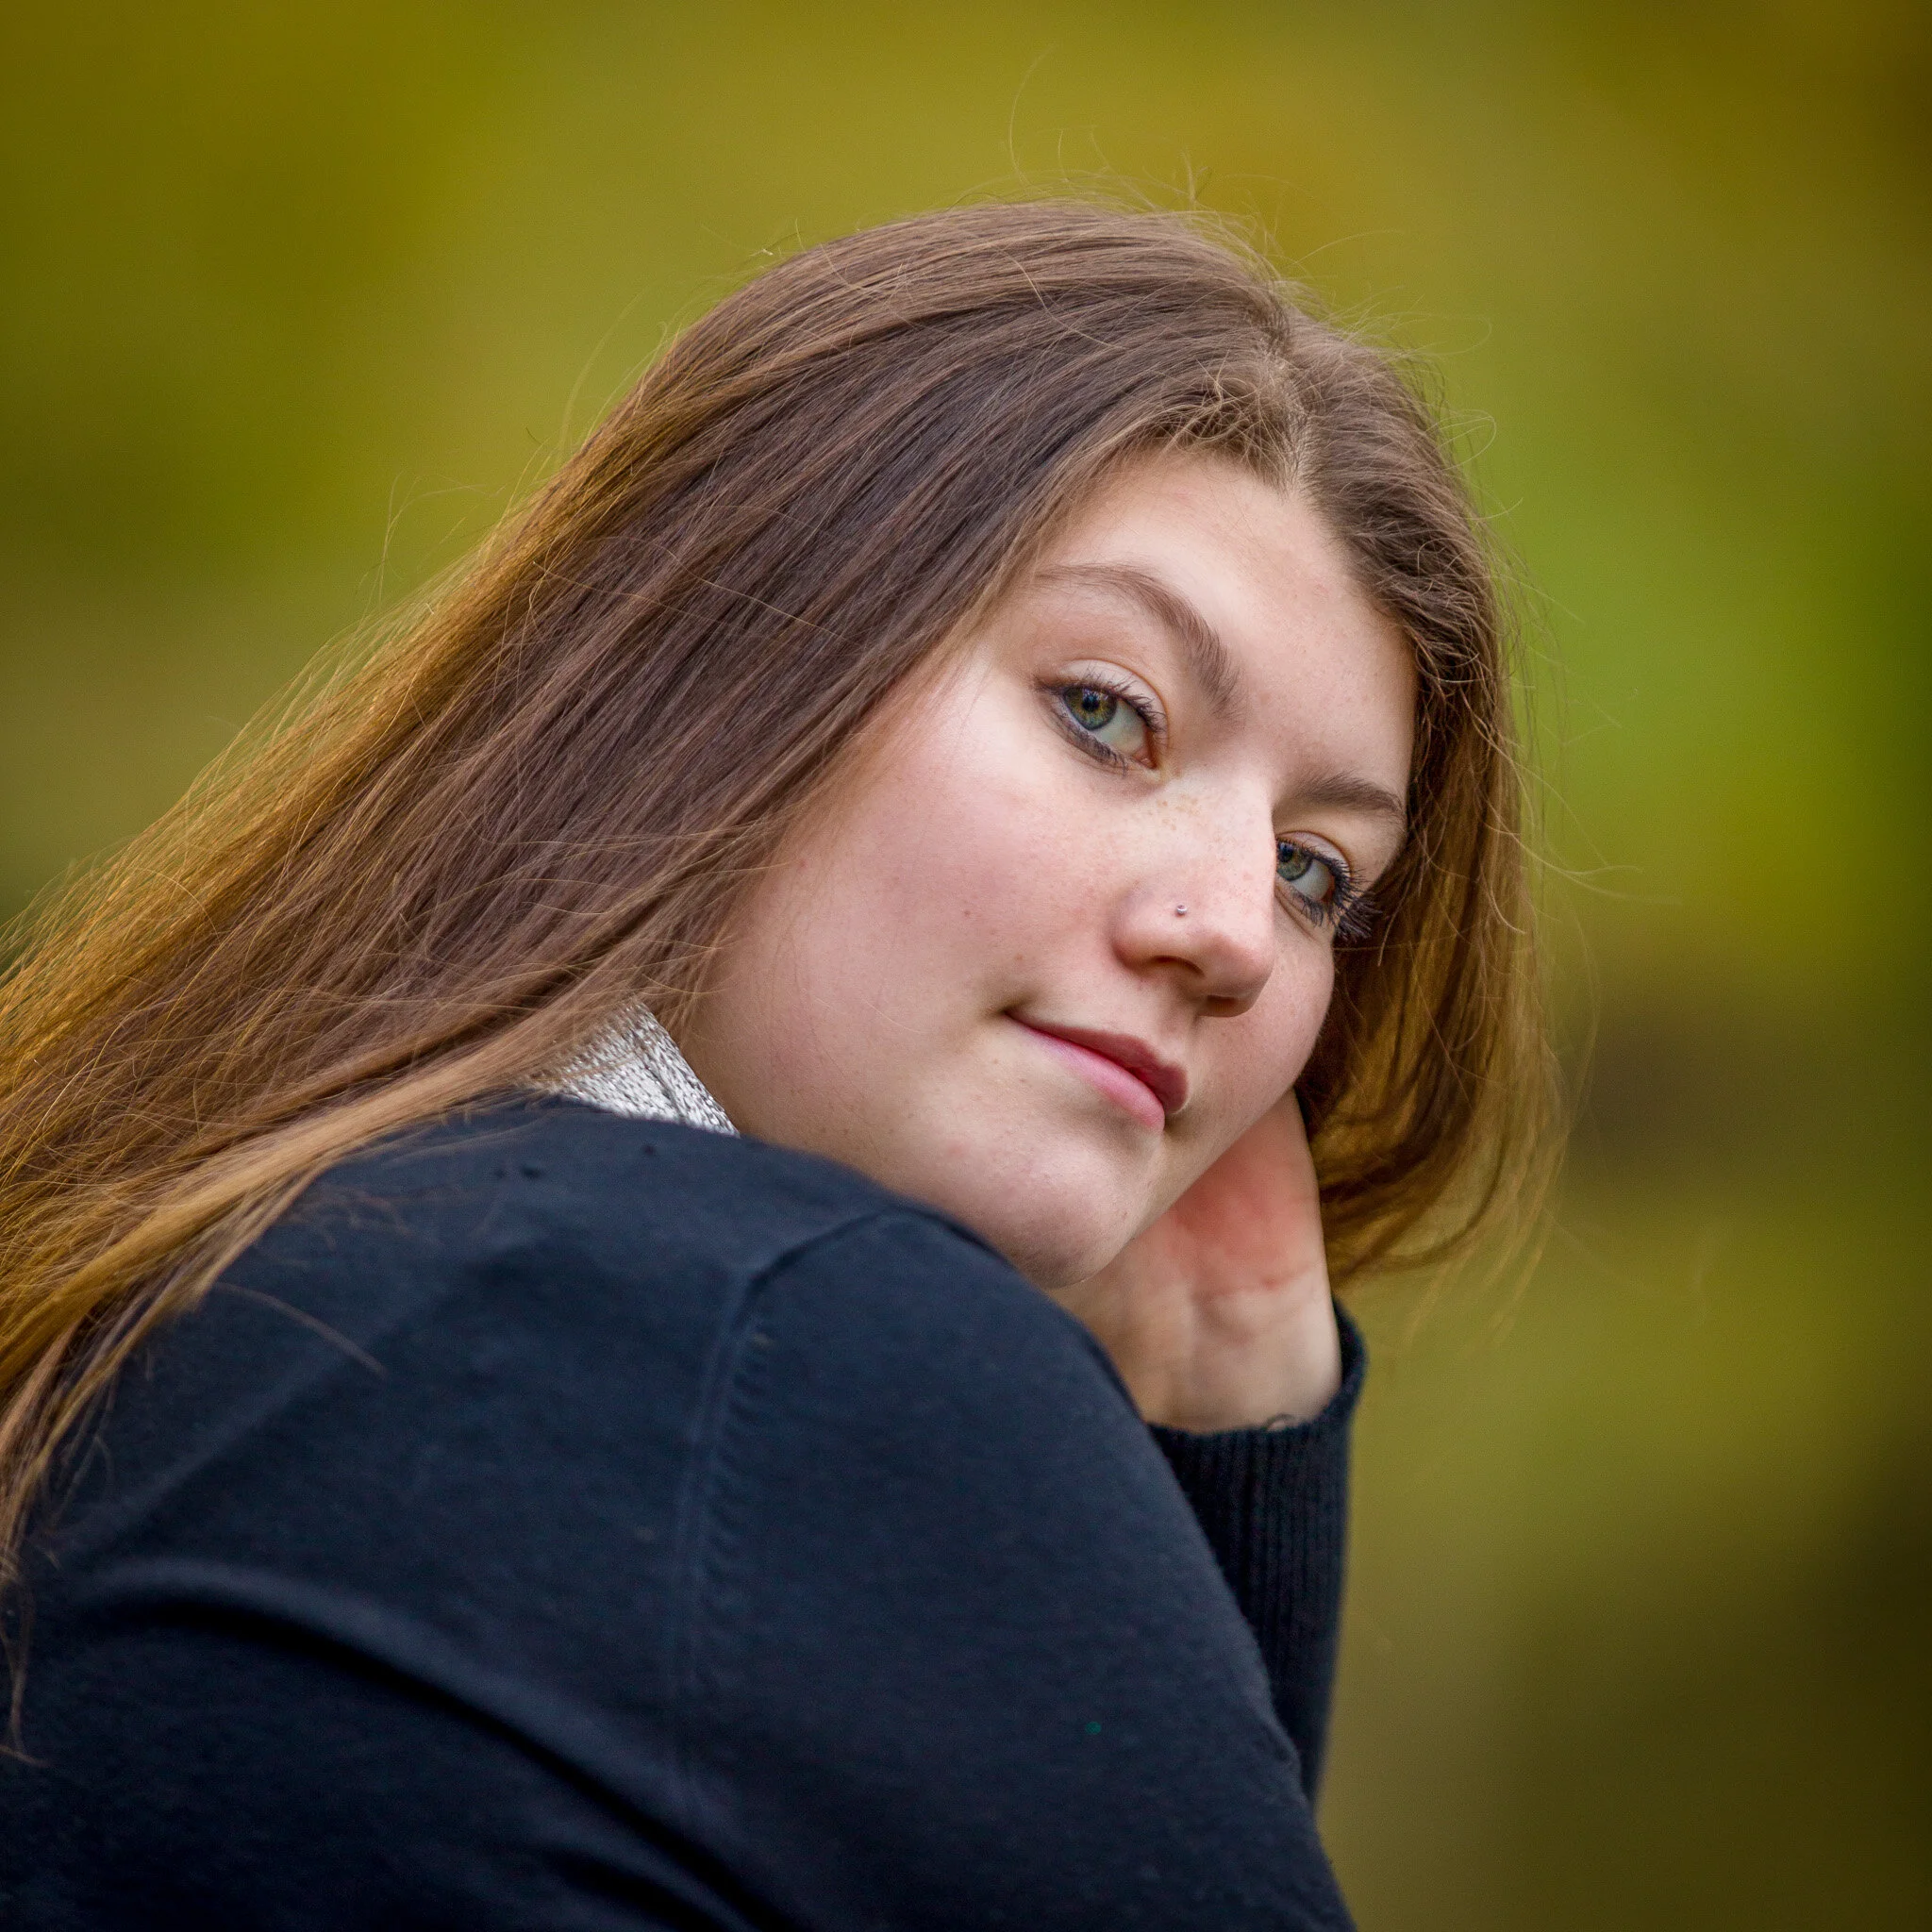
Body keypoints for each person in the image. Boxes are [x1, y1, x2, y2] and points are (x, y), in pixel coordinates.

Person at [0, 201, 1547, 1927]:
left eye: (1317, 872)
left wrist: (1223, 1387)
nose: (1239, 936)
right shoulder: (804, 1345)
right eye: (1106, 712)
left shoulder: (215, 1268)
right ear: (731, 659)